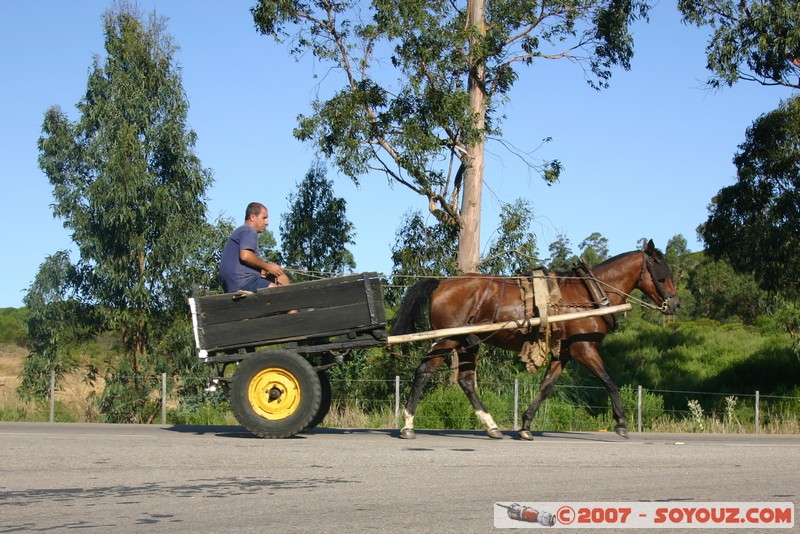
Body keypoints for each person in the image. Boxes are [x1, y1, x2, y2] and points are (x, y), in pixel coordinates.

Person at [219, 202, 291, 293]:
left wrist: (263, 271)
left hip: (231, 284)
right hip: (243, 282)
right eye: (264, 218)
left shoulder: (241, 231)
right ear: (252, 217)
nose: (267, 222)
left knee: (281, 277)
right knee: (279, 294)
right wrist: (269, 267)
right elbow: (245, 256)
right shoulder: (248, 230)